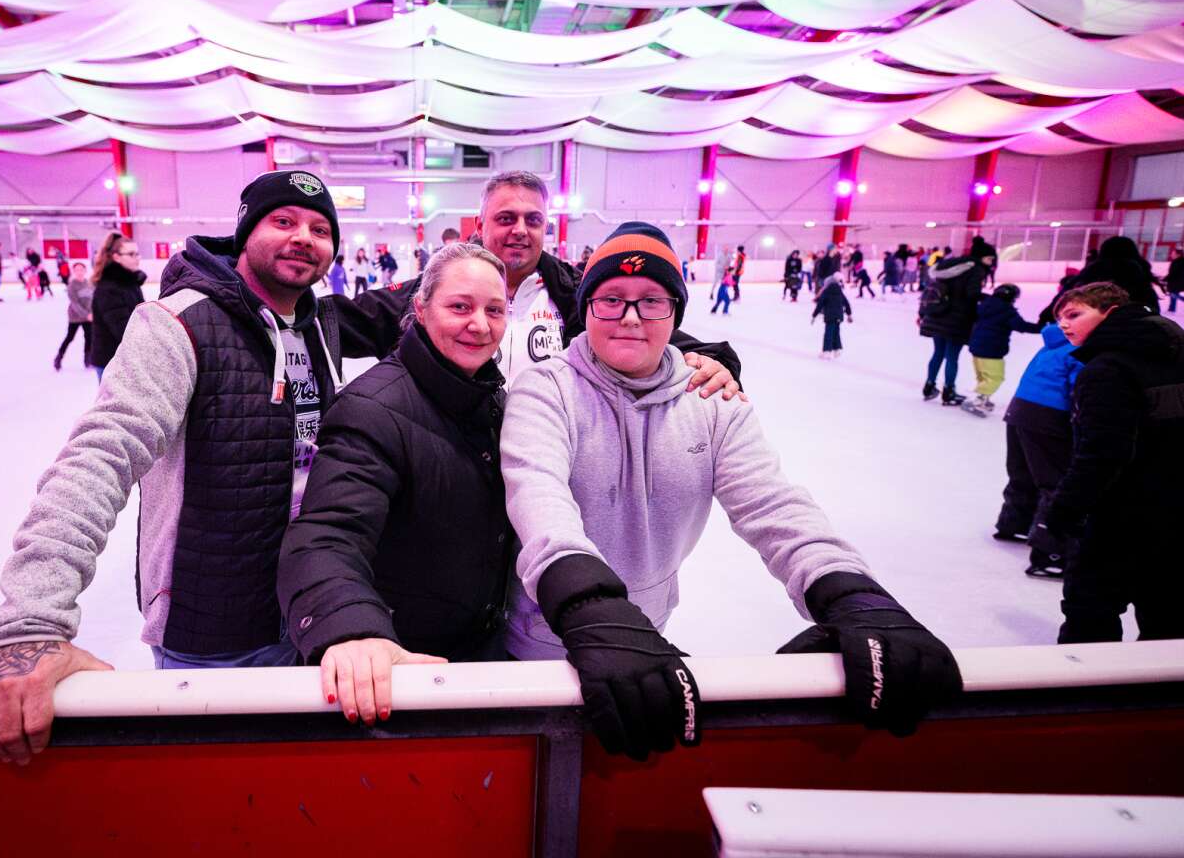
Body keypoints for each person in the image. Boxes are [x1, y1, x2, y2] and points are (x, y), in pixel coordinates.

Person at [500, 222, 961, 760]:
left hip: (648, 629)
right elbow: (540, 499)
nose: (630, 317)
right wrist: (592, 609)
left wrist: (851, 592)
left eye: (651, 300)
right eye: (611, 300)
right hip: (539, 634)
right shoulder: (545, 388)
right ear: (588, 307)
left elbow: (772, 504)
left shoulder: (712, 398)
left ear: (675, 312)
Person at [0, 171, 348, 766]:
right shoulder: (177, 324)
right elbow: (100, 456)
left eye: (320, 230)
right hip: (214, 629)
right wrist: (29, 620)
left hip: (310, 618)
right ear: (246, 231)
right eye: (283, 221)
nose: (304, 238)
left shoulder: (314, 324)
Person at [278, 244, 512, 725]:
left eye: (495, 310)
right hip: (403, 673)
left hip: (474, 655)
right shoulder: (373, 408)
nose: (480, 324)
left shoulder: (491, 399)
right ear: (421, 311)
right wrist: (350, 629)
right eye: (460, 307)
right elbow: (328, 533)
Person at [328, 170, 741, 392]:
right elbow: (342, 319)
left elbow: (654, 332)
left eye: (533, 220)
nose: (520, 230)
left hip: (552, 459)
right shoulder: (438, 288)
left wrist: (716, 363)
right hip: (455, 452)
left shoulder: (575, 293)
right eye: (506, 218)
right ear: (481, 224)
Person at [1032, 283, 1184, 643]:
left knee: (1090, 609)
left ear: (1110, 313)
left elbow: (1103, 452)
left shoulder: (1106, 369)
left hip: (1122, 514)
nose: (1064, 326)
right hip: (1176, 512)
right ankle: (1161, 694)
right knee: (1167, 612)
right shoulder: (1177, 353)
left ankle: (1088, 692)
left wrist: (1063, 511)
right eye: (1060, 318)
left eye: (1075, 314)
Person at [993, 323, 1082, 578]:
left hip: (1021, 410)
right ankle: (1050, 555)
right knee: (1055, 481)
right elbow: (1080, 390)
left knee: (1024, 473)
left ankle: (1014, 523)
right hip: (1049, 416)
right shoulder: (1080, 348)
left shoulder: (1055, 340)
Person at [917, 238, 996, 405]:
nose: (991, 262)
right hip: (958, 319)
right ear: (980, 257)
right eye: (989, 258)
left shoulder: (949, 265)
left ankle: (929, 386)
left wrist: (923, 312)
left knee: (938, 353)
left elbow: (933, 290)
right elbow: (971, 294)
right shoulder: (976, 270)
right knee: (952, 356)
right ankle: (949, 390)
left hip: (938, 315)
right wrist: (991, 299)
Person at [964, 284, 1041, 417]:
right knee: (995, 377)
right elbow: (1021, 326)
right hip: (992, 349)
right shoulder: (1007, 310)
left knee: (983, 376)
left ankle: (983, 398)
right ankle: (977, 399)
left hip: (976, 346)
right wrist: (1042, 328)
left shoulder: (985, 304)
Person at [88, 232, 145, 382]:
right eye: (131, 254)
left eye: (138, 253)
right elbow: (124, 329)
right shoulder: (109, 288)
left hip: (126, 359)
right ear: (116, 257)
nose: (137, 258)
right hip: (111, 361)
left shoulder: (129, 283)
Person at [55, 262, 94, 371]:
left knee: (89, 337)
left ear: (85, 271)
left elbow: (92, 299)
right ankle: (59, 357)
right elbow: (75, 304)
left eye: (81, 269)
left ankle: (88, 359)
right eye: (77, 270)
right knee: (70, 337)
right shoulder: (72, 286)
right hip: (75, 317)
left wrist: (92, 313)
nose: (79, 272)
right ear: (74, 272)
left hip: (89, 315)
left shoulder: (89, 283)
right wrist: (87, 315)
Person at [812, 277, 852, 358]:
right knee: (836, 332)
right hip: (839, 316)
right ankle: (837, 350)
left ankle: (826, 351)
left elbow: (820, 305)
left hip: (830, 316)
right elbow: (847, 303)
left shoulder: (826, 292)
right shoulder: (840, 291)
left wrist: (814, 315)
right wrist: (849, 314)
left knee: (828, 333)